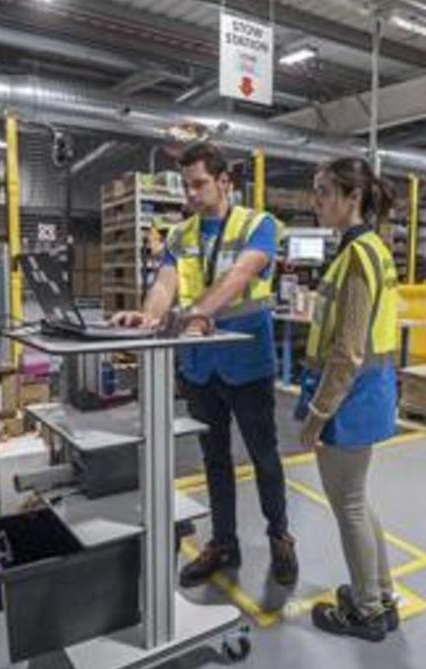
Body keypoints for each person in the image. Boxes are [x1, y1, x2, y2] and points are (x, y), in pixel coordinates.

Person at [111, 142, 298, 588]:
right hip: (199, 367)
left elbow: (238, 278)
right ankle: (224, 542)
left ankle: (280, 538)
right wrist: (149, 316)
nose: (191, 195)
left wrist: (195, 315)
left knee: (264, 457)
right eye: (186, 186)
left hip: (247, 363)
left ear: (224, 182)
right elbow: (164, 284)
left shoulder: (259, 225)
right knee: (214, 459)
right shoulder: (180, 235)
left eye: (199, 184)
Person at [296, 157, 400, 642]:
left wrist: (317, 416)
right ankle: (380, 594)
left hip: (349, 399)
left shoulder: (358, 257)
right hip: (364, 395)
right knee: (357, 501)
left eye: (323, 192)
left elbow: (349, 350)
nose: (316, 201)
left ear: (351, 197)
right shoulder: (367, 249)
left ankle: (367, 611)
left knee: (350, 508)